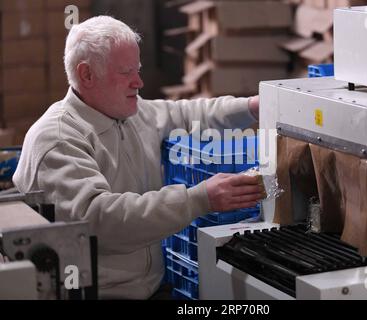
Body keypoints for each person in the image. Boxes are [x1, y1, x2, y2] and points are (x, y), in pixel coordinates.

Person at [12, 16, 264, 299]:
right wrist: (199, 199)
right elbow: (101, 220)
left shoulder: (131, 113)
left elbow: (188, 113)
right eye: (126, 71)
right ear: (87, 75)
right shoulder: (58, 139)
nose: (139, 81)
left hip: (153, 288)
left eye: (138, 69)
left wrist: (251, 107)